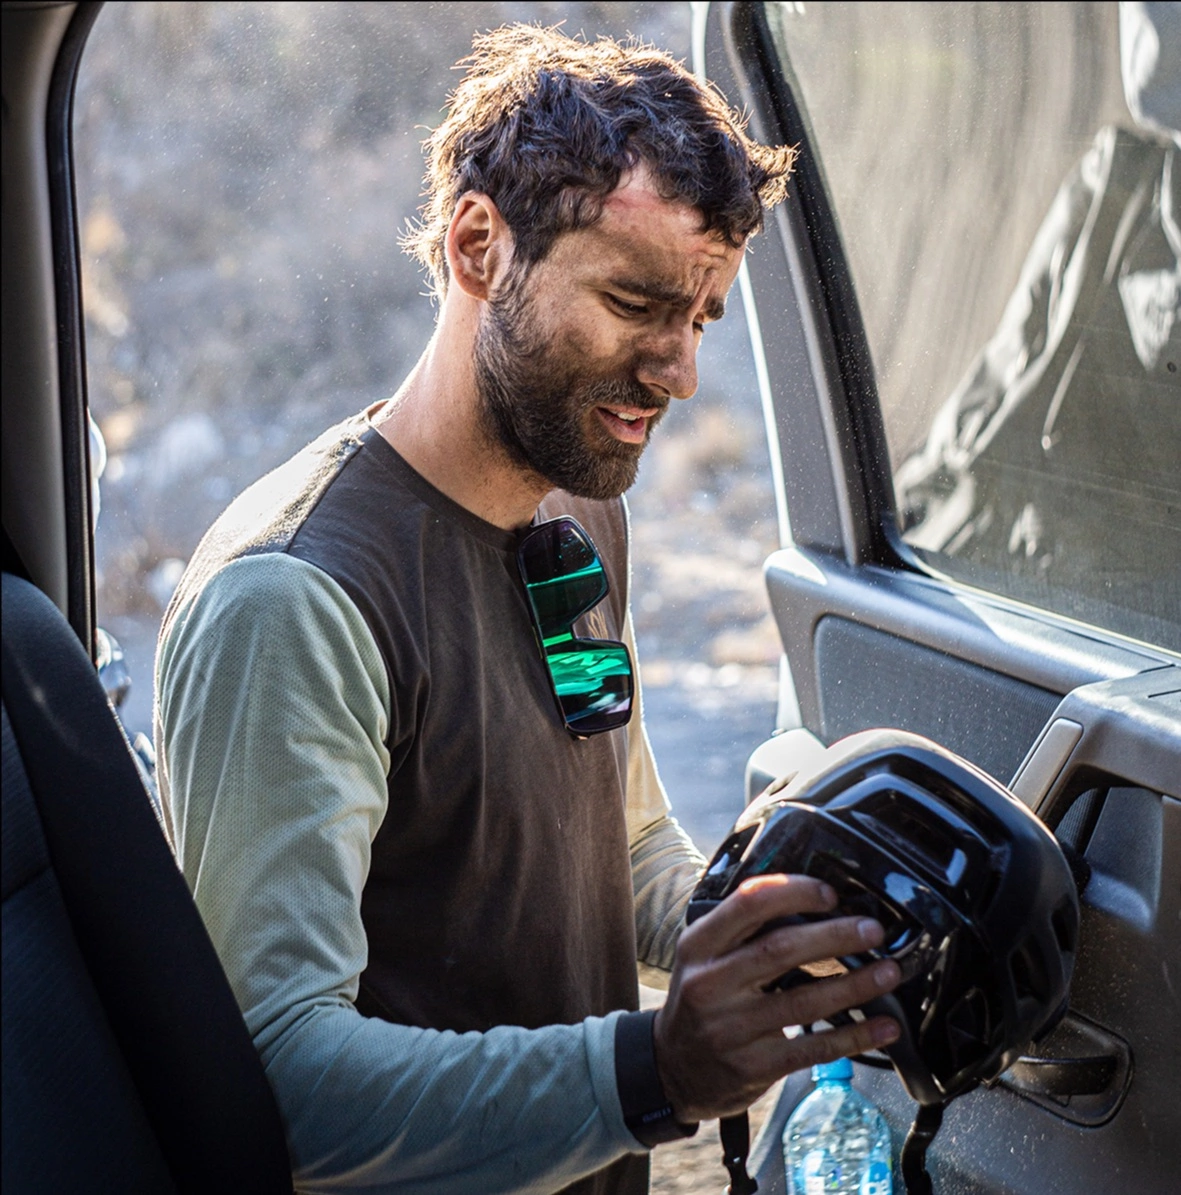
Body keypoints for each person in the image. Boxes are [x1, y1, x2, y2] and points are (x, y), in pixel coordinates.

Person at [155, 26, 902, 1195]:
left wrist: (757, 933)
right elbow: (275, 1079)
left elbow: (626, 833)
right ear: (475, 246)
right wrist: (652, 1068)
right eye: (631, 300)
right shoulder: (293, 599)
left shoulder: (577, 509)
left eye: (699, 317)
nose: (676, 370)